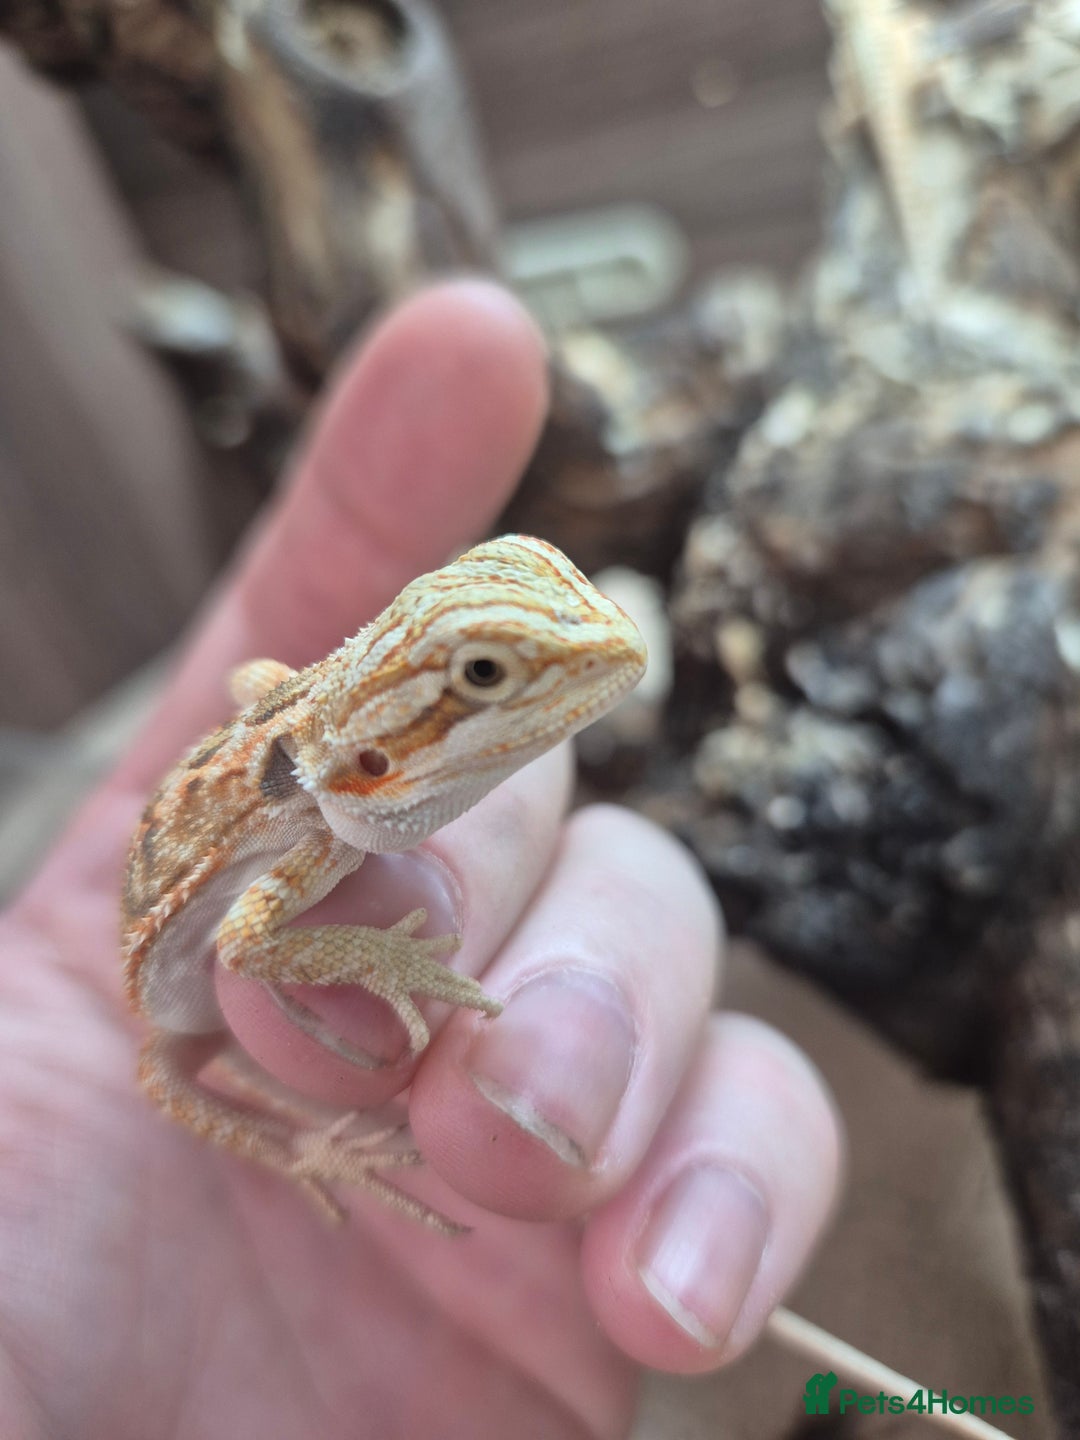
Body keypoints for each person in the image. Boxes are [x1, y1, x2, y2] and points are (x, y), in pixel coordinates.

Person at [0, 280, 842, 1438]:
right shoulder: (303, 828)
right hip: (158, 1000)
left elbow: (264, 695)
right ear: (375, 756)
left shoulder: (333, 761)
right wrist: (377, 981)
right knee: (172, 1068)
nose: (606, 648)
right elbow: (247, 940)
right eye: (487, 679)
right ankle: (303, 1157)